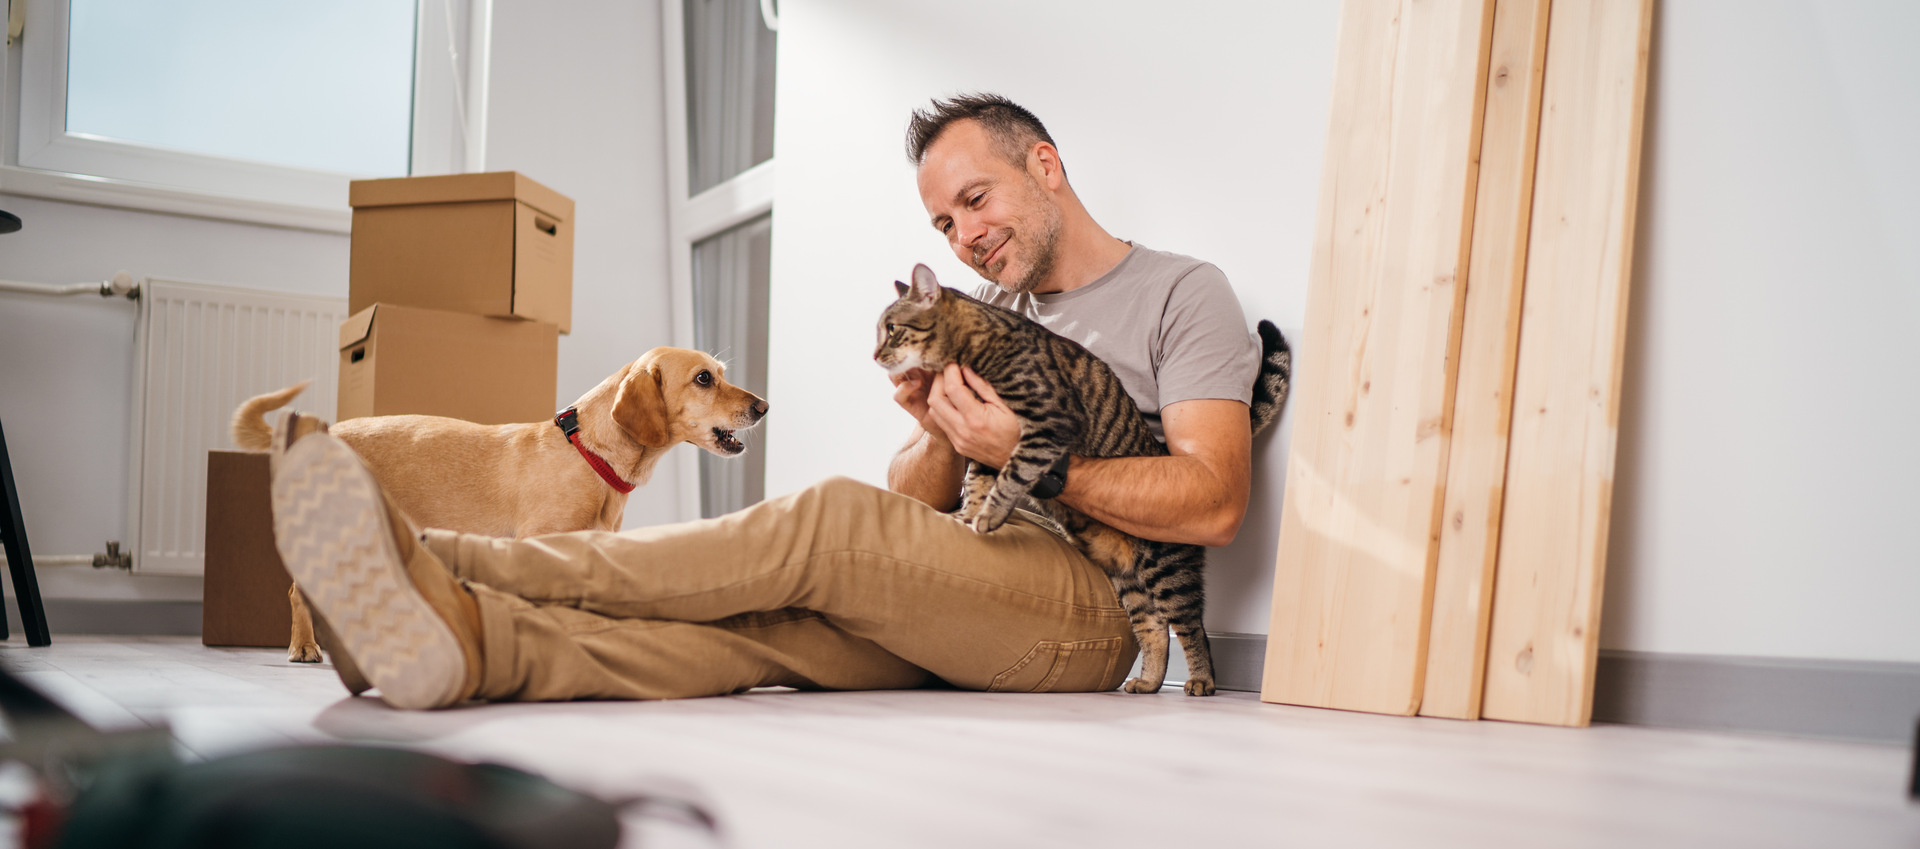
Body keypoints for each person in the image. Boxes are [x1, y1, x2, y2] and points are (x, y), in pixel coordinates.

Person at [271, 93, 1263, 709]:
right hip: (973, 581)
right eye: (942, 221)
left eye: (978, 199)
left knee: (826, 520)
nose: (964, 234)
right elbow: (916, 508)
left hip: (1092, 612)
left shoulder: (1180, 292)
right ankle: (461, 651)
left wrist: (1027, 454)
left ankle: (436, 562)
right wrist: (942, 436)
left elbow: (1214, 501)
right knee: (751, 635)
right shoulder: (984, 317)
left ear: (1044, 167)